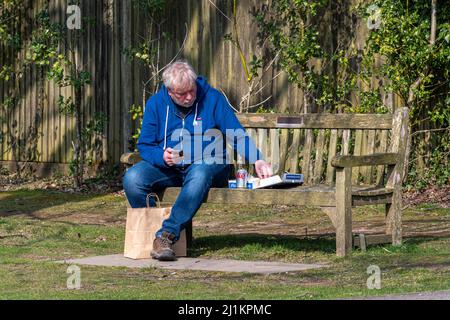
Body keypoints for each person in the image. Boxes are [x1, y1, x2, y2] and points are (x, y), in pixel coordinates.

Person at [123, 60, 273, 261]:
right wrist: (161, 156)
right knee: (133, 178)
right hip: (172, 167)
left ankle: (166, 234)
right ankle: (154, 236)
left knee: (200, 172)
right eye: (182, 94)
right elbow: (145, 145)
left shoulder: (212, 98)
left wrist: (257, 160)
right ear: (169, 91)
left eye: (192, 90)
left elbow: (236, 134)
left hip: (211, 164)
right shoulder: (156, 104)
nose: (189, 97)